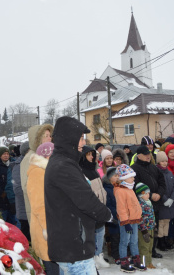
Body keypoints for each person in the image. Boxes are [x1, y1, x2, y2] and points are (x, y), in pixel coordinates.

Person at [44, 117, 113, 274]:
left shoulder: (63, 162)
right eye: (80, 138)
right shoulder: (63, 165)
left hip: (71, 245)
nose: (83, 143)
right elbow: (86, 199)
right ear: (69, 138)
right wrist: (108, 215)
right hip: (74, 247)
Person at [27, 142, 59, 274]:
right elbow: (39, 204)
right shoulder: (38, 173)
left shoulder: (50, 171)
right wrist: (48, 229)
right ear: (47, 156)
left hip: (55, 227)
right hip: (45, 230)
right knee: (52, 268)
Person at [131, 145, 166, 259]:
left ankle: (152, 249)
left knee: (154, 227)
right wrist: (150, 195)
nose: (148, 156)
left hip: (155, 203)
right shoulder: (134, 169)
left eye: (149, 154)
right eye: (146, 154)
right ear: (139, 155)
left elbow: (162, 182)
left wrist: (159, 194)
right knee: (144, 229)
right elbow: (136, 187)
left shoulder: (153, 167)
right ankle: (144, 251)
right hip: (143, 205)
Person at [79, 145, 110, 270]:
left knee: (100, 232)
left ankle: (98, 255)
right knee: (89, 235)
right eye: (89, 154)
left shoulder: (94, 169)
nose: (92, 157)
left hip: (100, 206)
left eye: (93, 154)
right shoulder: (81, 170)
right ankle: (90, 258)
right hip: (91, 209)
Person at [114, 164, 146, 272]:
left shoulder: (130, 188)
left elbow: (135, 204)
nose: (133, 178)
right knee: (124, 241)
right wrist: (125, 222)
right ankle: (124, 261)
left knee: (134, 241)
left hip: (134, 219)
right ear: (124, 178)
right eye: (131, 176)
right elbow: (121, 208)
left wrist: (139, 216)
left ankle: (135, 259)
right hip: (126, 221)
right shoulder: (120, 191)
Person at [21, 124, 53, 223]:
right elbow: (26, 187)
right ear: (37, 139)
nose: (49, 138)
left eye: (50, 135)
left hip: (50, 207)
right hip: (38, 210)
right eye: (45, 136)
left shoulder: (47, 156)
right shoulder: (30, 158)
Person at [155, 151, 174, 251]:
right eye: (162, 161)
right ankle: (160, 241)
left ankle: (165, 239)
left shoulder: (169, 172)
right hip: (162, 202)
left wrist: (172, 198)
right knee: (161, 223)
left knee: (167, 222)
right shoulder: (157, 173)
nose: (164, 163)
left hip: (170, 203)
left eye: (165, 161)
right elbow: (158, 187)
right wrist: (164, 199)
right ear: (158, 162)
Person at [0, 146, 16, 224]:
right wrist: (1, 192)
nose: (6, 155)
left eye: (7, 154)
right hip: (1, 198)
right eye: (4, 154)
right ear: (0, 155)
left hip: (12, 198)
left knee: (13, 222)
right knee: (3, 222)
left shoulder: (12, 165)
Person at [12, 141, 31, 241]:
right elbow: (18, 189)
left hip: (33, 210)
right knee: (27, 239)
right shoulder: (18, 165)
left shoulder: (32, 163)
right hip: (24, 210)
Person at [135, 182, 156, 269]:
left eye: (149, 193)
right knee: (144, 246)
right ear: (140, 194)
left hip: (150, 227)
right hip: (143, 230)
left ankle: (149, 261)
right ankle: (144, 263)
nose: (148, 195)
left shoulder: (149, 202)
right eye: (146, 193)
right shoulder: (140, 204)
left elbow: (152, 215)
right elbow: (139, 218)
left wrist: (154, 225)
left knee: (150, 246)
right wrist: (143, 230)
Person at [102, 167, 120, 265]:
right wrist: (116, 213)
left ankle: (121, 254)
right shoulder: (107, 189)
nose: (117, 177)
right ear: (109, 178)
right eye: (115, 176)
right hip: (113, 216)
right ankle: (115, 255)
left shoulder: (119, 187)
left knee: (121, 236)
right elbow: (108, 204)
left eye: (118, 175)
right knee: (114, 237)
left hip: (121, 215)